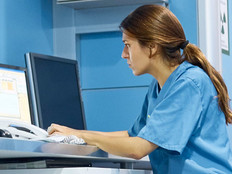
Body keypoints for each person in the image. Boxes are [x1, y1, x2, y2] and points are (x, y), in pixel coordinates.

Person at [47, 5, 232, 173]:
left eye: (128, 45)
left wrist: (80, 135)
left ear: (152, 47)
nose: (123, 54)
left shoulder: (189, 83)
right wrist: (73, 133)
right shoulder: (158, 86)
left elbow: (138, 149)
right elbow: (131, 135)